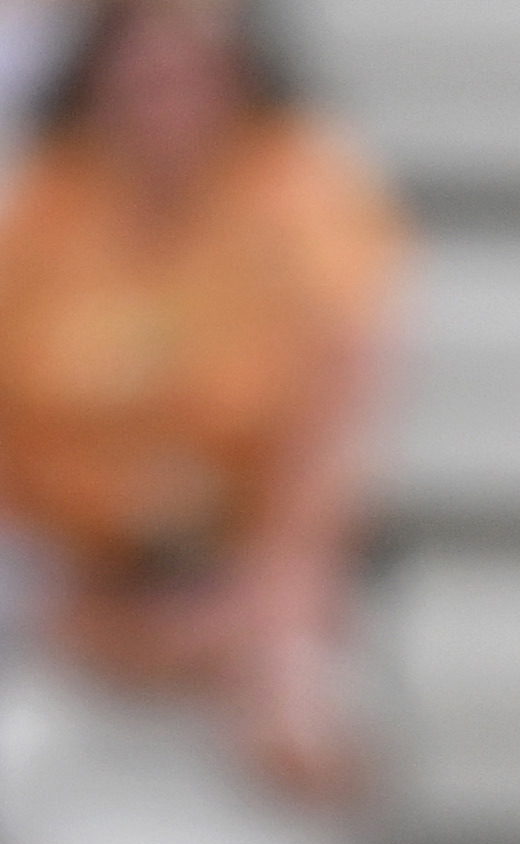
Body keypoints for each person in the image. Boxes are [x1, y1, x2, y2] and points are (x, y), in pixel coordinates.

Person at [0, 0, 400, 798]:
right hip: (66, 568)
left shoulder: (301, 197)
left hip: (250, 568)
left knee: (302, 716)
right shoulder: (43, 202)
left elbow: (331, 426)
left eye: (190, 79)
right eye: (141, 78)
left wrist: (272, 596)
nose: (164, 103)